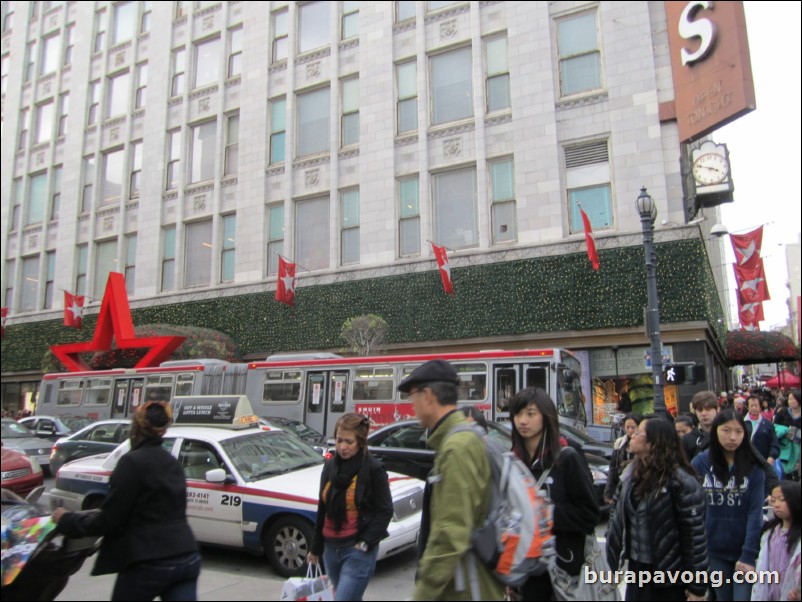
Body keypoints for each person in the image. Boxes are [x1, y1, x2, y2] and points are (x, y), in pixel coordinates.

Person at [52, 401, 201, 601]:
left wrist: (66, 520)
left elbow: (109, 520)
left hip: (149, 561)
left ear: (136, 427)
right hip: (187, 557)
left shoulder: (131, 462)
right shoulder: (171, 462)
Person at [399, 359, 504, 601]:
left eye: (413, 395)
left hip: (468, 589)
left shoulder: (456, 448)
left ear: (428, 396)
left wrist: (421, 595)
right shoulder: (464, 439)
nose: (411, 404)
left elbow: (451, 533)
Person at [509, 387, 599, 601]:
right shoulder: (513, 462)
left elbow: (589, 514)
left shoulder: (567, 458)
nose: (523, 421)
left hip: (563, 571)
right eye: (518, 414)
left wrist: (547, 514)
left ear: (546, 416)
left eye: (530, 414)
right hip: (526, 572)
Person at [606, 417, 708, 602]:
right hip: (637, 570)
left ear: (653, 442)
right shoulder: (629, 476)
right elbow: (615, 523)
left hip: (670, 575)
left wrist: (697, 587)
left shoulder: (681, 482)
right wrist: (610, 566)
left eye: (638, 433)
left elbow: (694, 537)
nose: (632, 437)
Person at [307, 413, 393, 601]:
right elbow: (323, 508)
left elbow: (385, 511)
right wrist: (315, 548)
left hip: (356, 553)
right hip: (331, 551)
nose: (342, 447)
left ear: (360, 442)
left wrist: (364, 543)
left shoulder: (373, 469)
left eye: (349, 442)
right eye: (339, 440)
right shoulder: (330, 466)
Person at [692, 410, 765, 602]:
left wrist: (749, 554)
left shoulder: (754, 467)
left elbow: (755, 512)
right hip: (713, 550)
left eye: (738, 431)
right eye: (726, 430)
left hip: (745, 550)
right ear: (715, 431)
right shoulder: (700, 463)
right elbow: (693, 509)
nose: (732, 437)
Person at [751, 481, 801, 601]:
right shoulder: (770, 534)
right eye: (773, 500)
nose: (777, 505)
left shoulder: (798, 537)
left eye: (782, 500)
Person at [603, 413, 642, 505]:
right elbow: (613, 468)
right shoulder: (620, 443)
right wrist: (608, 492)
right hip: (621, 486)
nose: (630, 430)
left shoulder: (642, 443)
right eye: (627, 427)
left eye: (633, 427)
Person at [681, 390, 720, 461]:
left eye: (708, 409)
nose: (703, 414)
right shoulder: (687, 439)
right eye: (700, 410)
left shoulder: (726, 434)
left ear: (717, 409)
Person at [744, 394, 780, 466]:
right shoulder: (741, 423)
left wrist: (771, 457)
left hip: (762, 463)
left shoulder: (768, 425)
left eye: (756, 406)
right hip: (744, 462)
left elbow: (774, 444)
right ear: (747, 407)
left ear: (760, 407)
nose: (754, 408)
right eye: (751, 405)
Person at [774, 389, 801, 481]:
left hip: (799, 449)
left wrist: (794, 433)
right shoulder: (782, 412)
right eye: (789, 399)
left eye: (793, 399)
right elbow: (774, 427)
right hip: (784, 448)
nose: (791, 401)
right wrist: (784, 432)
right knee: (785, 474)